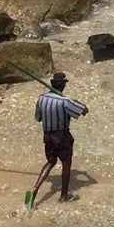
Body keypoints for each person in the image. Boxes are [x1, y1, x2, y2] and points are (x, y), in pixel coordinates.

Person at [32, 72, 88, 205]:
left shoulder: (41, 98)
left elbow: (38, 118)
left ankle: (35, 188)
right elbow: (85, 111)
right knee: (66, 163)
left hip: (48, 136)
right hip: (62, 136)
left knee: (50, 162)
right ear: (62, 85)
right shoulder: (65, 101)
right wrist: (76, 101)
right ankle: (63, 196)